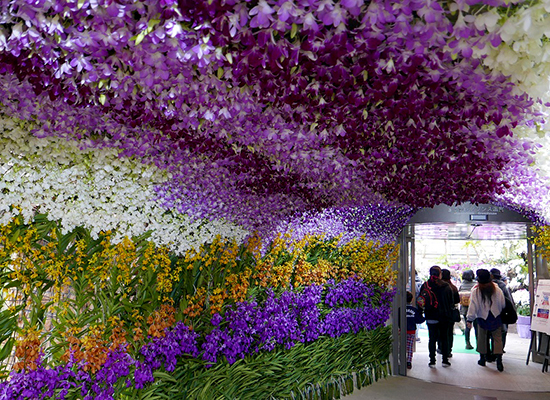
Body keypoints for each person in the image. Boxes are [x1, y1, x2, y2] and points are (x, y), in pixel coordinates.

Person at [466, 268, 506, 372]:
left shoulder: (476, 291)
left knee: (481, 338)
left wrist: (469, 319)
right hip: (495, 316)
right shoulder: (497, 289)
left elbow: (472, 307)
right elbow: (502, 304)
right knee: (497, 338)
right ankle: (499, 360)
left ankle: (482, 359)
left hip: (482, 317)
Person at [419, 265, 455, 368]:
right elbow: (451, 302)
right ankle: (444, 359)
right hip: (444, 316)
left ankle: (432, 360)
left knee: (432, 338)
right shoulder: (446, 286)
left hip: (431, 315)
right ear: (440, 275)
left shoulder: (425, 285)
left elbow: (421, 300)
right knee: (444, 338)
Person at [488, 268, 514, 358]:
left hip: (490, 313)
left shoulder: (488, 285)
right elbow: (508, 300)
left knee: (491, 333)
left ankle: (491, 352)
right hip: (502, 313)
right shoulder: (503, 286)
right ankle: (499, 351)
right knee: (501, 333)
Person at [440, 268, 460, 358]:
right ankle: (448, 350)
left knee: (440, 331)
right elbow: (457, 300)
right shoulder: (453, 287)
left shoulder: (438, 286)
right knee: (449, 332)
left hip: (440, 313)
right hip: (450, 313)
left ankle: (441, 348)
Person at [406, 291, 425, 369]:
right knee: (410, 347)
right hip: (411, 330)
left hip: (402, 330)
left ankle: (401, 359)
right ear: (412, 300)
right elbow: (419, 320)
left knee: (401, 345)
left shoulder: (400, 309)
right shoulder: (414, 310)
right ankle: (409, 361)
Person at [459, 270, 476, 350]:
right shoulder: (475, 285)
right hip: (475, 309)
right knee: (477, 327)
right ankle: (479, 343)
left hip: (465, 309)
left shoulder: (461, 285)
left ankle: (467, 343)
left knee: (467, 326)